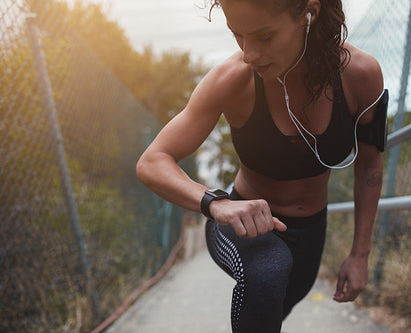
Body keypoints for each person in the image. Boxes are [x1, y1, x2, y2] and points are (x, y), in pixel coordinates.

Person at [136, 0, 387, 331]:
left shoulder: (362, 76)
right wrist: (216, 203)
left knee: (268, 313)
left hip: (310, 233)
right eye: (237, 35)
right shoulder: (232, 79)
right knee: (268, 272)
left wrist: (360, 254)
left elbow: (370, 165)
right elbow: (152, 161)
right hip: (238, 220)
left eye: (264, 37)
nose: (249, 53)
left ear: (308, 14)